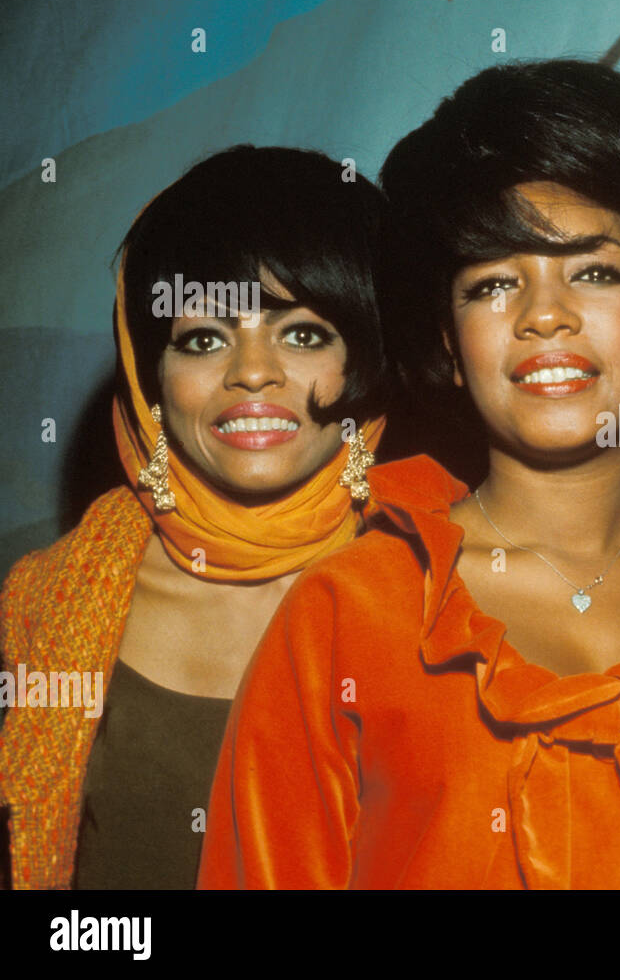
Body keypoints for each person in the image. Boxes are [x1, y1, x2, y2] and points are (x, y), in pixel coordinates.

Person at [196, 60, 620, 890]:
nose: (544, 314)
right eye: (492, 283)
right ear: (447, 342)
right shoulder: (349, 615)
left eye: (593, 271)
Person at [0, 145, 388, 889]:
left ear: (367, 357)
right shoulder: (49, 598)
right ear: (151, 379)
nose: (250, 372)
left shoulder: (449, 590)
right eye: (204, 338)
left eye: (303, 333)